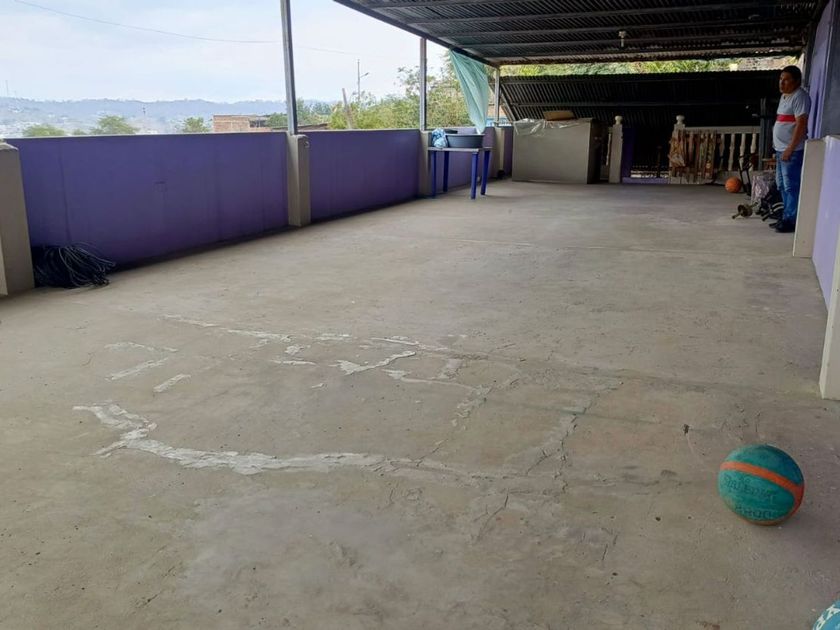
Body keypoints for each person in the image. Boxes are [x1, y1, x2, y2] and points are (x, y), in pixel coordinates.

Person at [772, 65, 811, 233]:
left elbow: (801, 124)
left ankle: (791, 220)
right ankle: (785, 216)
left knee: (791, 186)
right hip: (780, 149)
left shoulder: (800, 97)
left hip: (792, 151)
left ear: (796, 81)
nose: (782, 82)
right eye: (781, 79)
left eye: (786, 79)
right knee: (781, 185)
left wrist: (790, 148)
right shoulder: (784, 96)